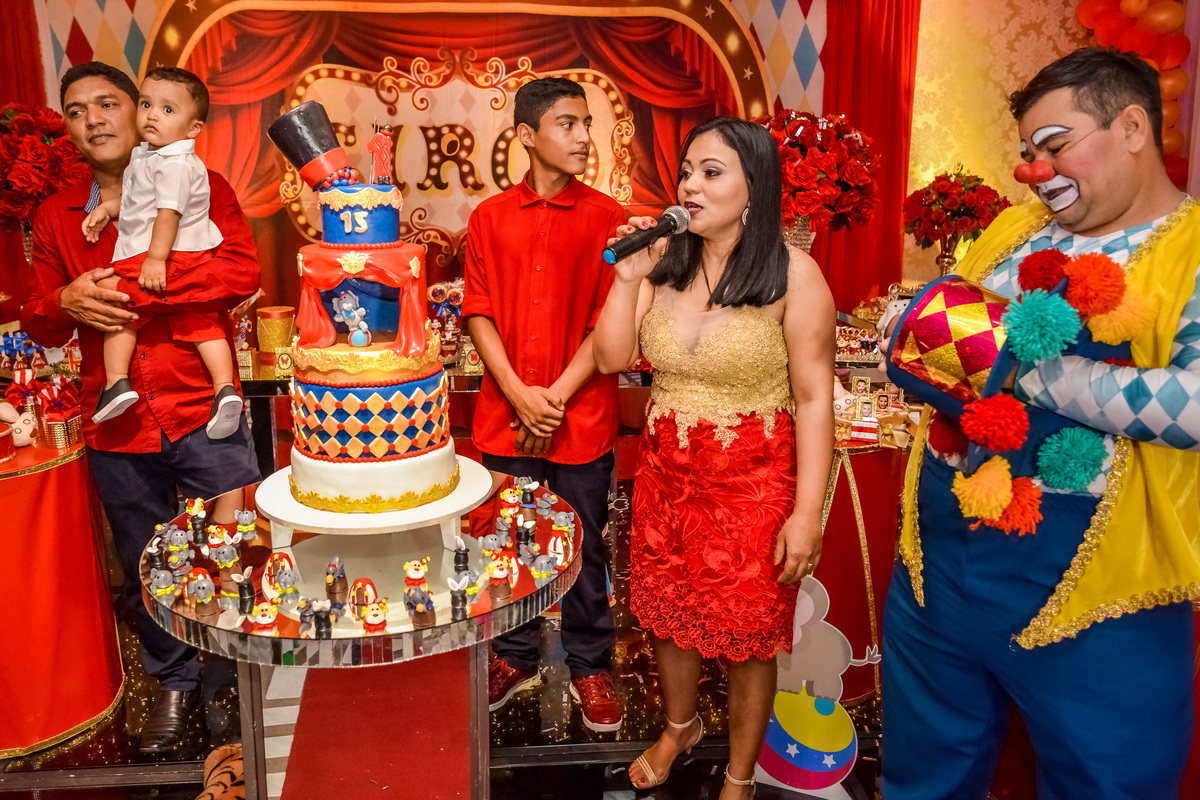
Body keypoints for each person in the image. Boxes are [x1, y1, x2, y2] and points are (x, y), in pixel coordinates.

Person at [882, 47, 1200, 799]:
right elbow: (938, 330)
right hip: (938, 565)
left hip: (1097, 598)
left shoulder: (1190, 250)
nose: (1033, 169)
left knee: (1105, 784)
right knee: (923, 780)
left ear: (1131, 127)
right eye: (1026, 152)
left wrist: (1030, 368)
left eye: (1054, 145)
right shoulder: (1012, 230)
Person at [21, 62, 261, 754]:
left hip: (203, 407)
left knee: (229, 551)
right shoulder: (56, 215)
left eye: (107, 103)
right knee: (147, 559)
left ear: (144, 113)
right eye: (74, 110)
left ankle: (236, 677)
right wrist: (65, 300)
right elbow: (42, 321)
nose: (93, 118)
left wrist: (137, 290)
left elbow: (240, 271)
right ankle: (177, 685)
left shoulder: (203, 186)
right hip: (117, 419)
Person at [592, 117, 835, 798]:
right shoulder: (665, 263)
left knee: (749, 635)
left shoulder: (795, 276)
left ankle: (740, 774)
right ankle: (680, 725)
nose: (690, 186)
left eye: (711, 172)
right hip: (666, 473)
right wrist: (625, 279)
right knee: (666, 614)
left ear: (755, 190)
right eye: (687, 171)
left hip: (754, 484)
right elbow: (612, 358)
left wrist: (806, 512)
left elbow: (816, 400)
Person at [461, 77, 628, 732]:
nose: (585, 137)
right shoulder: (489, 217)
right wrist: (517, 393)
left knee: (585, 546)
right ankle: (515, 655)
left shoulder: (609, 219)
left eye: (587, 123)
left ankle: (590, 664)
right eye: (567, 124)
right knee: (512, 543)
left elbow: (610, 320)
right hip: (507, 413)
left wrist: (552, 399)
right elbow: (478, 312)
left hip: (578, 416)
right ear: (527, 136)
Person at [81, 66, 242, 438]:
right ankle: (224, 389)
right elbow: (139, 202)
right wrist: (107, 209)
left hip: (170, 252)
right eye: (146, 104)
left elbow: (168, 213)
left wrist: (155, 258)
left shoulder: (175, 164)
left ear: (194, 128)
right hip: (176, 253)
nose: (152, 115)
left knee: (122, 309)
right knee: (199, 320)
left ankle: (117, 382)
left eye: (168, 110)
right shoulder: (149, 156)